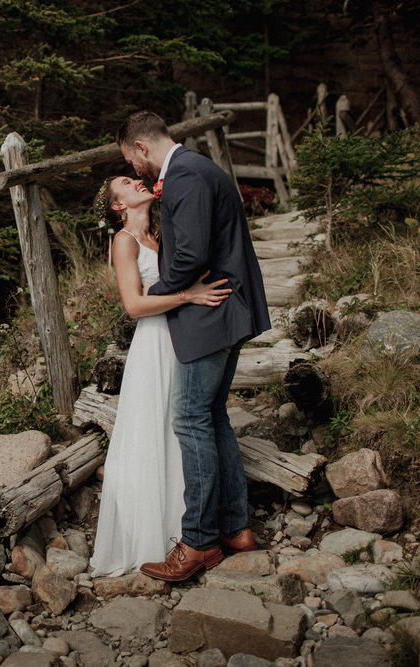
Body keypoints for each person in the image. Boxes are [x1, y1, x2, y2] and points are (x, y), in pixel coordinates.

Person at [116, 110, 271, 582]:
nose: (137, 172)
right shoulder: (197, 170)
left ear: (142, 148)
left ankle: (198, 542)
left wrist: (162, 295)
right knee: (212, 415)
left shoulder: (185, 175)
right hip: (223, 310)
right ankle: (236, 528)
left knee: (188, 418)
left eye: (130, 161)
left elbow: (190, 256)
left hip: (212, 313)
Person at [89, 174, 233, 577]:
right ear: (118, 206)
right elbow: (133, 305)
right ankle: (155, 536)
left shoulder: (161, 232)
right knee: (156, 428)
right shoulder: (124, 241)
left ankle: (191, 531)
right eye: (125, 183)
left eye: (135, 176)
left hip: (183, 337)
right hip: (154, 343)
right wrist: (190, 296)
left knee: (186, 429)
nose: (137, 181)